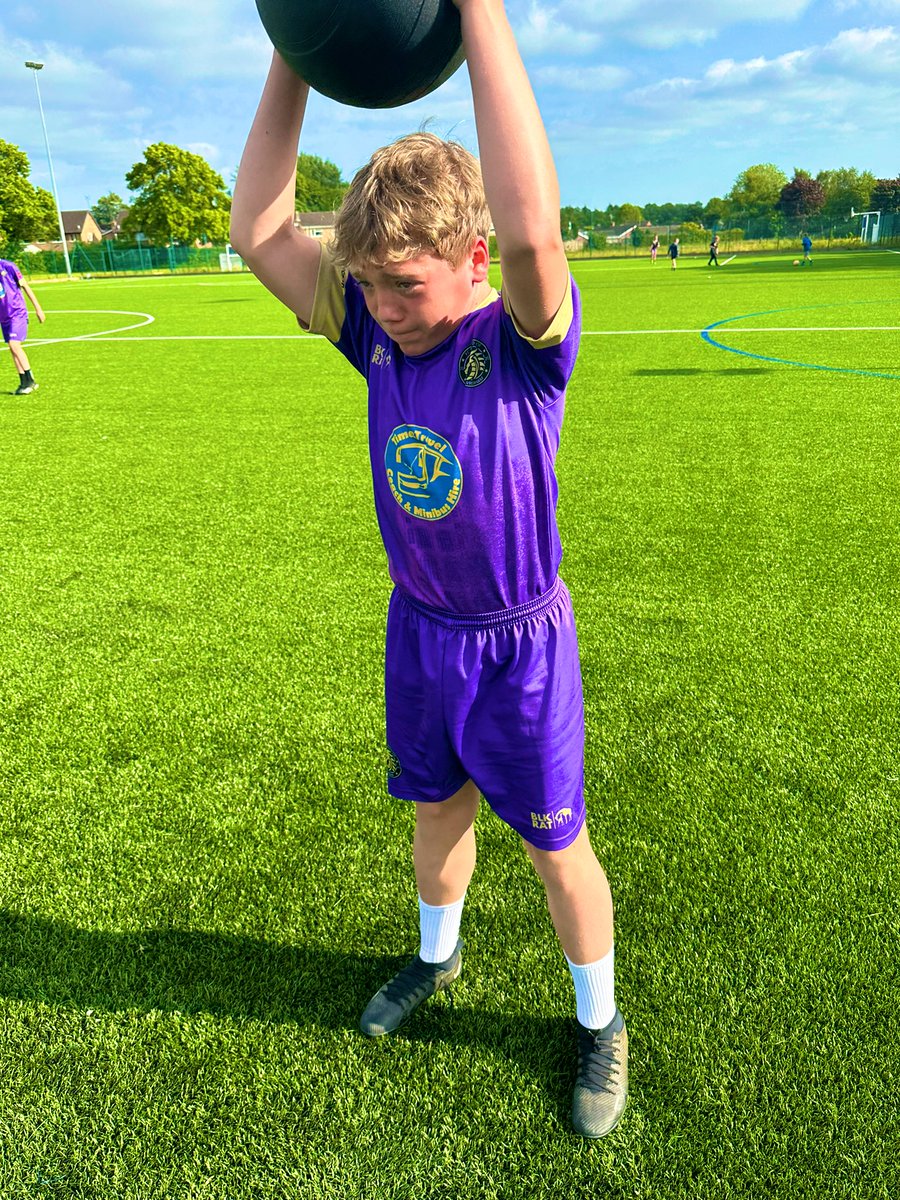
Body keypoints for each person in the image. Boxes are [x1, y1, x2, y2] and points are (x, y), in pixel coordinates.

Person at [231, 0, 627, 1140]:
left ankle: (600, 1023)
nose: (388, 311)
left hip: (521, 643)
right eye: (370, 288)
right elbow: (259, 226)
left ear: (469, 260)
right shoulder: (367, 328)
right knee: (434, 814)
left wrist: (482, 12)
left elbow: (534, 231)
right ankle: (435, 961)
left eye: (407, 287)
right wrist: (293, 47)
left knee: (557, 847)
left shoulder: (520, 345)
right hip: (424, 632)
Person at [0, 258, 44, 394]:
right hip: (4, 316)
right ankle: (23, 382)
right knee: (13, 349)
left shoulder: (8, 266)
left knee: (14, 344)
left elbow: (25, 286)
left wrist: (38, 308)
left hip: (17, 313)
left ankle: (30, 380)